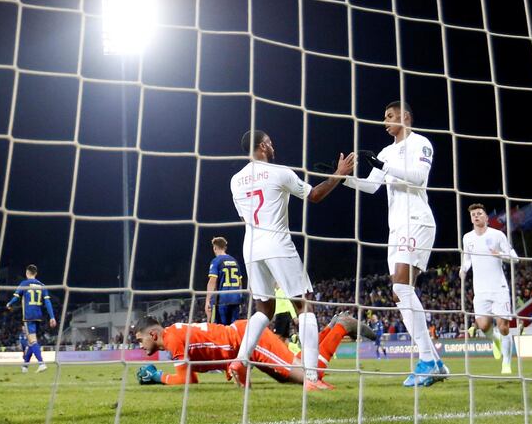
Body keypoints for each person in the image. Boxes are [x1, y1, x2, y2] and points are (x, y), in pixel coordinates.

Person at [229, 129, 355, 390]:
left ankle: (240, 361)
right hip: (277, 242)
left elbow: (244, 217)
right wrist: (339, 175)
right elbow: (315, 195)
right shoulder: (280, 172)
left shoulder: (235, 180)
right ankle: (311, 377)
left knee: (264, 309)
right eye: (271, 143)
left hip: (251, 246)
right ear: (263, 145)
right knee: (304, 304)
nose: (273, 147)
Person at [343, 101, 447, 387]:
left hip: (417, 219)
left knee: (401, 287)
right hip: (397, 227)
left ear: (406, 117)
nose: (385, 121)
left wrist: (384, 165)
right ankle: (434, 361)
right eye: (384, 117)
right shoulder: (386, 151)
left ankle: (427, 360)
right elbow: (372, 185)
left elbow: (419, 178)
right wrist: (343, 180)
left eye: (389, 116)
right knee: (401, 292)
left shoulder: (420, 143)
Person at [133, 314, 372, 386]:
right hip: (242, 342)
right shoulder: (174, 333)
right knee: (289, 375)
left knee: (310, 377)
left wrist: (158, 377)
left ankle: (341, 327)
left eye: (140, 339)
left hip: (249, 341)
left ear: (153, 334)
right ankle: (330, 330)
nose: (140, 345)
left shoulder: (173, 339)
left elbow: (188, 381)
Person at [459, 203, 518, 375]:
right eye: (473, 215)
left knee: (504, 326)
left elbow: (515, 258)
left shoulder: (498, 235)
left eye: (479, 213)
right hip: (481, 290)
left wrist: (499, 254)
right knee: (483, 326)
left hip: (499, 288)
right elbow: (467, 259)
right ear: (471, 218)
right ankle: (496, 340)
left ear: (486, 217)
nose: (476, 216)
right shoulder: (467, 238)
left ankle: (506, 363)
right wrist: (463, 269)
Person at [6, 264, 57, 373]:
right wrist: (52, 317)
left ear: (27, 273)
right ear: (36, 273)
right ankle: (25, 366)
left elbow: (16, 298)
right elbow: (48, 302)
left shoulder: (24, 284)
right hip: (38, 316)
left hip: (29, 316)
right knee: (31, 342)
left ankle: (41, 363)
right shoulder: (42, 285)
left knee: (32, 341)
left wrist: (9, 304)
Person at [204, 237, 246, 325]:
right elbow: (240, 282)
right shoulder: (234, 261)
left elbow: (212, 280)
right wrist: (240, 298)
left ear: (214, 248)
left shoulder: (216, 261)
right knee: (233, 329)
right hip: (235, 300)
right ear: (225, 247)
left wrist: (208, 300)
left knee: (219, 329)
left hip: (222, 301)